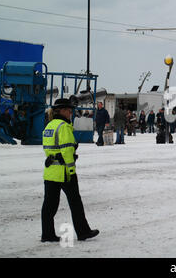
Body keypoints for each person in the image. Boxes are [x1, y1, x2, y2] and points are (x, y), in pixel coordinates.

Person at [41, 98, 99, 242]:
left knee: (49, 205)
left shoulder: (49, 126)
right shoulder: (64, 126)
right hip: (64, 172)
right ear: (61, 111)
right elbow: (67, 150)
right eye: (68, 110)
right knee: (75, 203)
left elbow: (48, 148)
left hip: (50, 171)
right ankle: (83, 232)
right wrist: (71, 170)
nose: (70, 113)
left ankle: (47, 234)